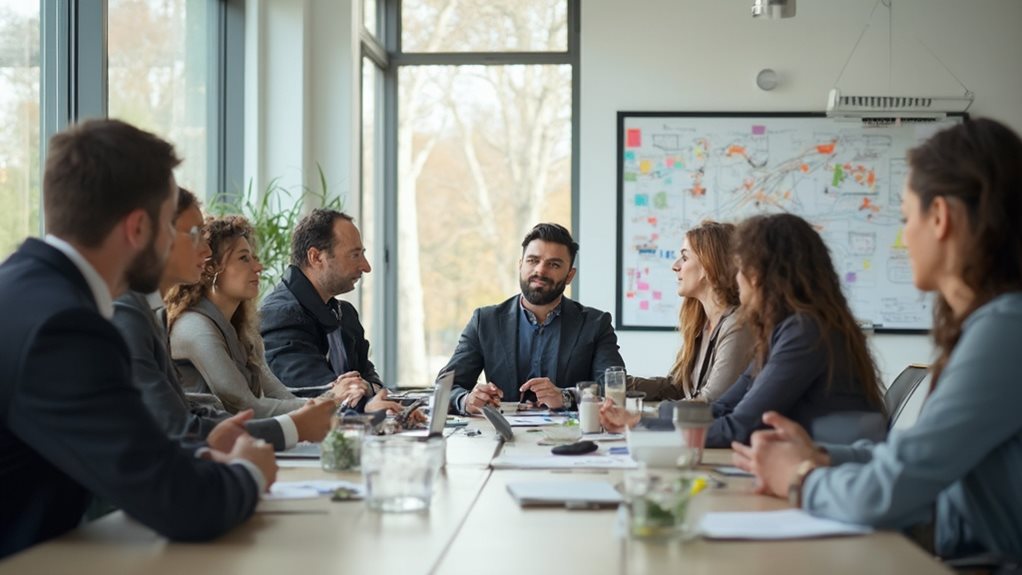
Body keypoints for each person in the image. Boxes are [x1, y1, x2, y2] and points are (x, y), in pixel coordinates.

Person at [732, 118, 1022, 561]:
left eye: (907, 218)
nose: (905, 237)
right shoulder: (995, 323)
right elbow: (910, 453)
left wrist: (801, 477)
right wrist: (821, 455)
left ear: (940, 216)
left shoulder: (1005, 330)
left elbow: (890, 490)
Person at [0, 119, 274, 559]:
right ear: (137, 229)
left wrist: (199, 454)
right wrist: (250, 472)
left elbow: (122, 450)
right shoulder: (65, 327)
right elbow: (180, 503)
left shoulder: (25, 289)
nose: (177, 242)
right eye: (172, 226)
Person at [602, 213, 885, 448]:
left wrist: (644, 424)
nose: (735, 279)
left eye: (740, 268)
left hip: (832, 474)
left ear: (760, 274)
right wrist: (640, 420)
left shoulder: (805, 332)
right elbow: (723, 408)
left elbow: (738, 426)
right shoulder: (781, 331)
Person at [111, 189, 336, 451]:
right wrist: (325, 411)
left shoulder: (158, 314)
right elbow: (231, 408)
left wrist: (330, 404)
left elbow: (188, 415)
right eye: (195, 234)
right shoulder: (178, 324)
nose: (205, 251)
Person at [166, 215, 349, 417]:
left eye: (254, 258)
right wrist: (332, 401)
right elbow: (245, 405)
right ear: (210, 269)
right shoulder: (195, 327)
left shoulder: (240, 330)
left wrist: (335, 401)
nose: (258, 267)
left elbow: (279, 395)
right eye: (244, 258)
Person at [442, 223, 625, 414]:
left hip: (572, 437)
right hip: (500, 437)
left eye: (553, 264)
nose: (540, 270)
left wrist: (566, 396)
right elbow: (446, 387)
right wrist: (467, 400)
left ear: (570, 275)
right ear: (521, 265)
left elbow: (615, 390)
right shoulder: (485, 321)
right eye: (532, 260)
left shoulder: (595, 324)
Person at [260, 209, 395, 413]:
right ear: (316, 257)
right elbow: (317, 397)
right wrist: (367, 405)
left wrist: (369, 390)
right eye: (354, 255)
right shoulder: (280, 315)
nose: (366, 267)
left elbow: (369, 378)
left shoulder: (345, 313)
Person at [627, 221, 754, 402]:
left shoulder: (737, 326)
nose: (675, 266)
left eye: (685, 258)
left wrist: (637, 417)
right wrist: (616, 385)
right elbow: (677, 387)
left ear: (709, 265)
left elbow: (711, 401)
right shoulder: (702, 324)